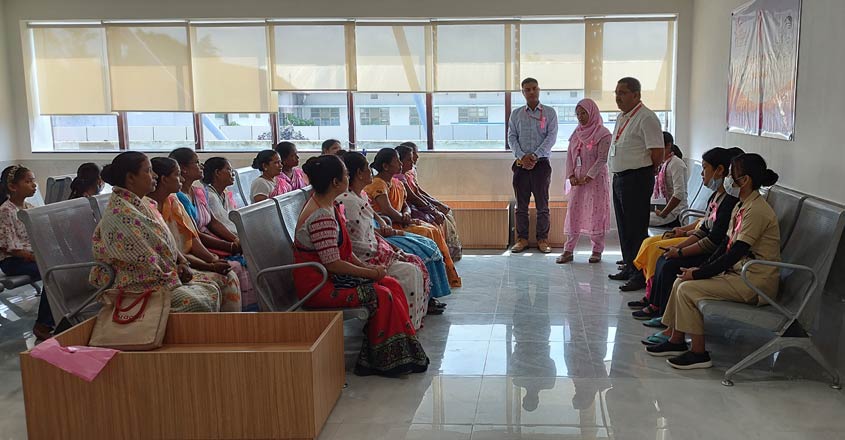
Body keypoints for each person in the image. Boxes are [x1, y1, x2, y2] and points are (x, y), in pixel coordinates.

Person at [293, 154, 429, 377]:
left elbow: (344, 253)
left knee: (392, 284)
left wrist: (371, 272)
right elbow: (333, 263)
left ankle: (398, 352)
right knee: (382, 294)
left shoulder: (329, 206)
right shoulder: (320, 216)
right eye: (346, 174)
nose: (348, 178)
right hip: (320, 286)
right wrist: (370, 273)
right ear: (336, 182)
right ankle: (382, 359)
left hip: (332, 277)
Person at [646, 153, 780, 369]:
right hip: (739, 273)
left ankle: (699, 353)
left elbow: (735, 252)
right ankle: (676, 340)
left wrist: (699, 273)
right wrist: (699, 268)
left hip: (754, 282)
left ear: (745, 180)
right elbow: (725, 244)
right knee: (681, 281)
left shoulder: (757, 211)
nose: (728, 179)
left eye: (731, 175)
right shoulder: (742, 206)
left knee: (688, 288)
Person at [90, 152, 220, 313]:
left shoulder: (143, 203)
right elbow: (145, 263)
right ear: (131, 178)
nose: (155, 175)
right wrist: (176, 273)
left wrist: (182, 263)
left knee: (212, 287)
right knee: (198, 301)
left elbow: (167, 243)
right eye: (148, 171)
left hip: (160, 275)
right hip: (135, 286)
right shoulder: (122, 214)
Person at [626, 147, 742, 324]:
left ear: (719, 170)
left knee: (669, 265)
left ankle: (663, 312)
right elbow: (704, 228)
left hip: (711, 253)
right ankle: (655, 303)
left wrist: (680, 252)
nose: (702, 173)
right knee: (663, 257)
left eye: (705, 168)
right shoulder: (716, 197)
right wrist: (677, 247)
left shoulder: (730, 203)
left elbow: (714, 240)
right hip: (704, 244)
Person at [337, 151, 433, 328]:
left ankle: (410, 323)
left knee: (415, 260)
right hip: (364, 257)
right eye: (367, 167)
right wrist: (384, 253)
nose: (371, 171)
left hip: (377, 244)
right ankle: (404, 325)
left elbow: (370, 230)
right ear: (359, 173)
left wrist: (390, 248)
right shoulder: (347, 202)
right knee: (410, 271)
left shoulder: (360, 195)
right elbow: (356, 242)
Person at [148, 157, 242, 312]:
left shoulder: (173, 202)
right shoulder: (148, 208)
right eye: (178, 175)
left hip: (186, 259)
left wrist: (212, 260)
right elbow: (169, 252)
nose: (182, 179)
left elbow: (192, 237)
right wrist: (210, 264)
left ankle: (231, 324)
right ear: (164, 179)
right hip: (172, 267)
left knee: (229, 275)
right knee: (213, 287)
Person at [169, 149, 256, 312]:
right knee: (235, 266)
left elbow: (213, 222)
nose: (201, 166)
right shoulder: (178, 199)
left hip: (208, 242)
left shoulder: (198, 192)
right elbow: (194, 235)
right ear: (183, 169)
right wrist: (226, 248)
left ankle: (250, 311)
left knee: (248, 257)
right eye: (196, 162)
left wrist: (234, 240)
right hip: (198, 247)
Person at [365, 148, 462, 288]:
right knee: (426, 232)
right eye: (397, 161)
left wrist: (407, 213)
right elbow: (387, 210)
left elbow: (405, 205)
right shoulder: (378, 183)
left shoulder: (397, 183)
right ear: (385, 166)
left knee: (433, 230)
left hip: (401, 221)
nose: (400, 164)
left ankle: (444, 278)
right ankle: (431, 283)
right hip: (389, 225)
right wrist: (406, 219)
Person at [607, 77, 665, 283]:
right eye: (616, 93)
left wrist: (646, 172)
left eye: (622, 93)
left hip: (637, 179)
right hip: (620, 178)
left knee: (636, 228)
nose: (617, 97)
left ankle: (640, 274)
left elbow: (657, 152)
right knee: (624, 227)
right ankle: (629, 266)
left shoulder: (646, 117)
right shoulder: (622, 117)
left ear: (636, 95)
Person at [0, 165, 52, 340]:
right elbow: (9, 247)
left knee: (59, 271)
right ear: (13, 186)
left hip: (30, 258)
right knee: (52, 274)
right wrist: (35, 257)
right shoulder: (6, 211)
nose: (34, 185)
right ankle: (43, 324)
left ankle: (57, 316)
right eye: (28, 181)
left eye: (33, 181)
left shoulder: (29, 207)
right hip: (13, 261)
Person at [556, 98, 611, 265]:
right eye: (578, 114)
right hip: (577, 181)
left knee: (596, 213)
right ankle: (568, 250)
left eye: (584, 113)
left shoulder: (603, 133)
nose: (580, 117)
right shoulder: (576, 134)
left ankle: (597, 250)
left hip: (595, 181)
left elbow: (602, 159)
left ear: (592, 113)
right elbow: (569, 158)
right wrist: (571, 176)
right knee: (574, 211)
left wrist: (589, 176)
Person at [507, 77, 558, 253]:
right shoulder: (516, 114)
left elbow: (551, 137)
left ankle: (542, 239)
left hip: (541, 164)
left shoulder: (549, 113)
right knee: (521, 206)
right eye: (527, 89)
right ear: (523, 92)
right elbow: (511, 137)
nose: (531, 92)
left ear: (539, 90)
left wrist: (535, 156)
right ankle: (522, 239)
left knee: (542, 206)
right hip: (521, 164)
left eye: (534, 88)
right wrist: (523, 156)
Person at [396, 144, 463, 261]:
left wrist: (436, 205)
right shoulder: (399, 178)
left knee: (443, 216)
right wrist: (433, 210)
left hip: (410, 209)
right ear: (399, 162)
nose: (415, 158)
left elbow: (418, 192)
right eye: (409, 159)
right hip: (410, 211)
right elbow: (412, 198)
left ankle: (446, 254)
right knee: (433, 223)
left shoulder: (408, 174)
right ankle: (440, 256)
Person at [650, 132, 688, 227]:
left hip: (674, 213)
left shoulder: (676, 163)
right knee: (637, 212)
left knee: (638, 218)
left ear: (668, 146)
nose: (653, 152)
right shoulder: (664, 164)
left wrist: (664, 213)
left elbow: (679, 194)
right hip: (664, 207)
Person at [200, 157, 239, 235]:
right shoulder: (210, 197)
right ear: (217, 172)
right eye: (229, 170)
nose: (233, 174)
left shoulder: (225, 194)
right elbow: (222, 225)